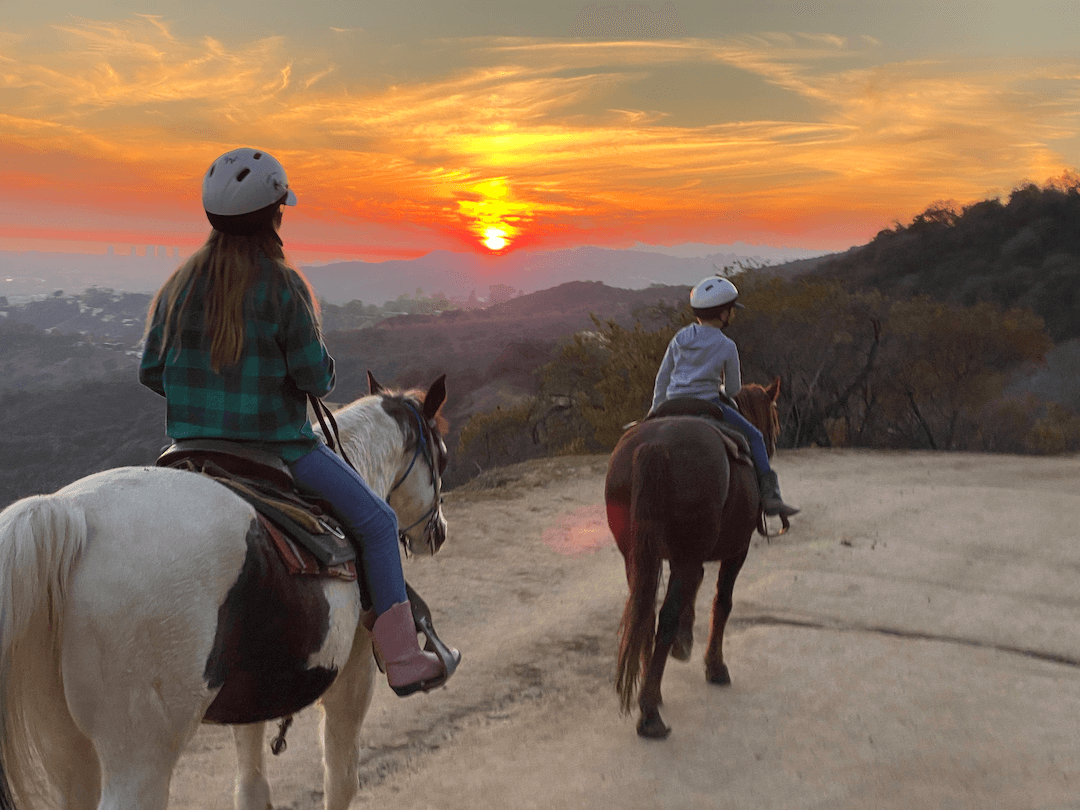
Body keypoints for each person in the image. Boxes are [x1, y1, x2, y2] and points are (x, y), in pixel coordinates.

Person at [139, 147, 458, 697]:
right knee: (380, 524)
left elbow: (151, 372)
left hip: (187, 452)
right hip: (277, 451)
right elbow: (317, 380)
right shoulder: (283, 287)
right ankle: (404, 658)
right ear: (274, 216)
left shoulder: (177, 287)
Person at [650, 276, 799, 518]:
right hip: (708, 404)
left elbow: (662, 378)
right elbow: (732, 391)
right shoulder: (727, 345)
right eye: (730, 311)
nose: (731, 315)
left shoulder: (680, 338)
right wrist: (718, 389)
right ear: (722, 314)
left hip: (672, 402)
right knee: (756, 436)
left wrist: (655, 409)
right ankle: (772, 497)